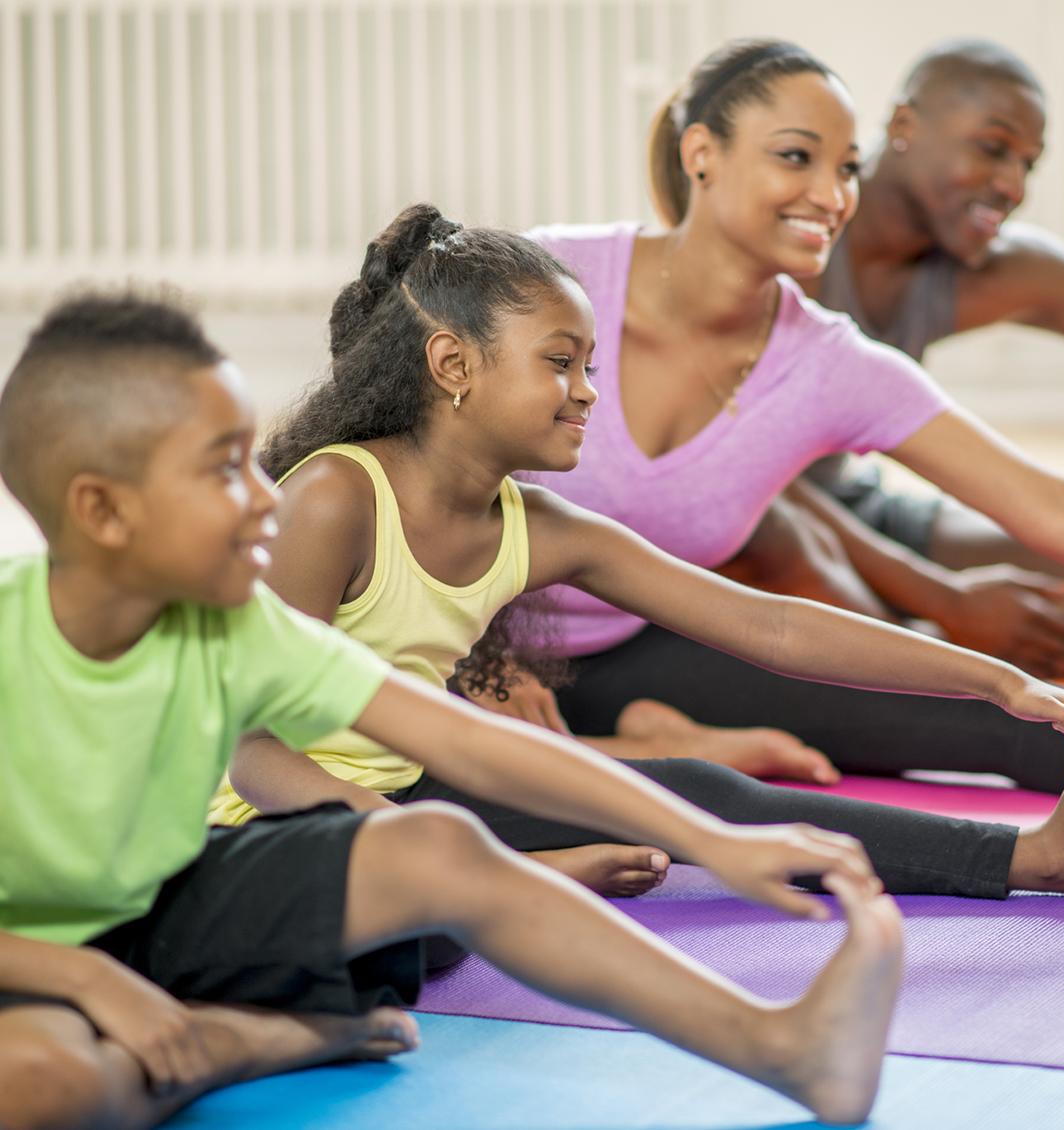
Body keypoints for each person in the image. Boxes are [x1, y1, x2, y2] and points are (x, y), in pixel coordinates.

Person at [0, 292, 930, 1129]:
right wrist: (78, 976)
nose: (262, 498)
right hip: (22, 962)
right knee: (40, 1088)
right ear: (103, 511)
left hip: (154, 911)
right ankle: (234, 1045)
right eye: (223, 471)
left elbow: (468, 743)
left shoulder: (231, 630)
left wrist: (713, 838)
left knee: (436, 841)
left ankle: (781, 1048)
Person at [209, 204, 1064, 915]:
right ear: (454, 365)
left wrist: (998, 680)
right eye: (561, 364)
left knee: (693, 795)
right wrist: (481, 864)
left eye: (590, 366)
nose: (586, 394)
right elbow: (254, 756)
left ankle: (1041, 858)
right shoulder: (334, 499)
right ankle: (501, 886)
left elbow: (771, 627)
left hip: (404, 793)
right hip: (263, 825)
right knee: (426, 932)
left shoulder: (537, 524)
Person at [470, 37, 1064, 789]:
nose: (831, 193)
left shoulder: (829, 362)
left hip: (631, 648)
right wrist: (472, 658)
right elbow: (393, 466)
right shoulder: (552, 277)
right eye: (796, 157)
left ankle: (641, 739)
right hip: (449, 645)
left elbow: (1048, 503)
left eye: (847, 167)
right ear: (701, 154)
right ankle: (647, 749)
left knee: (1023, 719)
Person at [782, 38, 1064, 672]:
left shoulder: (987, 271)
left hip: (865, 512)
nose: (1013, 185)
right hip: (763, 529)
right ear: (904, 125)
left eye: (1029, 163)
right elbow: (735, 494)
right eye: (993, 149)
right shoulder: (794, 248)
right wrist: (949, 605)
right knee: (861, 623)